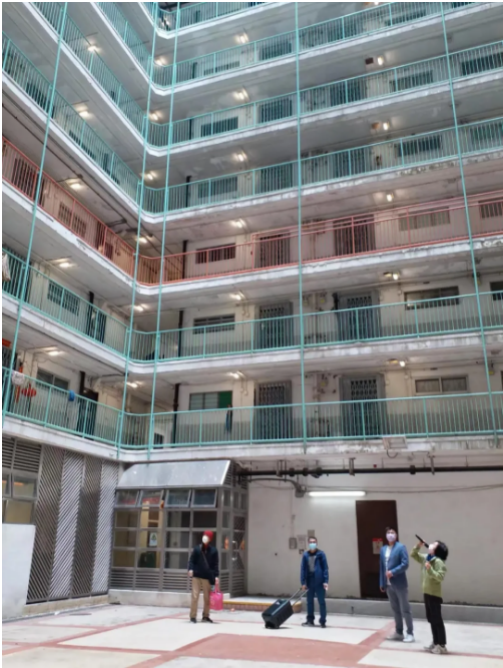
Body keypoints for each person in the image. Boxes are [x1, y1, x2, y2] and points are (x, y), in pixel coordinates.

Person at [411, 539, 449, 655]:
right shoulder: (426, 558)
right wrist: (418, 546)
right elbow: (414, 555)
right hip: (426, 592)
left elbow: (440, 577)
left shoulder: (438, 562)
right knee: (431, 619)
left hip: (434, 594)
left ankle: (442, 645)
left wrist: (430, 569)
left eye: (434, 544)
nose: (431, 545)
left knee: (437, 620)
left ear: (437, 550)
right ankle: (435, 642)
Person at [379, 527, 414, 643]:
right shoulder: (383, 549)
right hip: (389, 584)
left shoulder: (401, 547)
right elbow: (382, 567)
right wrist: (382, 582)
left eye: (392, 532)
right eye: (388, 532)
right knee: (395, 609)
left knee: (405, 609)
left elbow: (405, 564)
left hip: (400, 583)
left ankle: (410, 633)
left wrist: (393, 572)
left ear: (396, 535)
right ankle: (399, 632)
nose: (390, 534)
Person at [188, 530, 219, 623]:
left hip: (207, 577)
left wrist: (216, 576)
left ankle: (205, 616)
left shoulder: (213, 551)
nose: (205, 537)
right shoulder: (197, 549)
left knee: (207, 598)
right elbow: (192, 560)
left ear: (210, 539)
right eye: (204, 535)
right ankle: (193, 616)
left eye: (207, 536)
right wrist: (190, 569)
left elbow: (215, 564)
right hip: (196, 575)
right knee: (195, 596)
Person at [300, 536, 329, 628]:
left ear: (316, 543)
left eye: (314, 542)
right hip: (309, 581)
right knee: (309, 602)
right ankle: (310, 620)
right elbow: (303, 569)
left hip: (320, 582)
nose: (312, 544)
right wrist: (303, 583)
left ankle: (323, 621)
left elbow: (325, 568)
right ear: (308, 544)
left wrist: (326, 581)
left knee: (321, 601)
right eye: (311, 542)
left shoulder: (321, 554)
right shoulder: (305, 555)